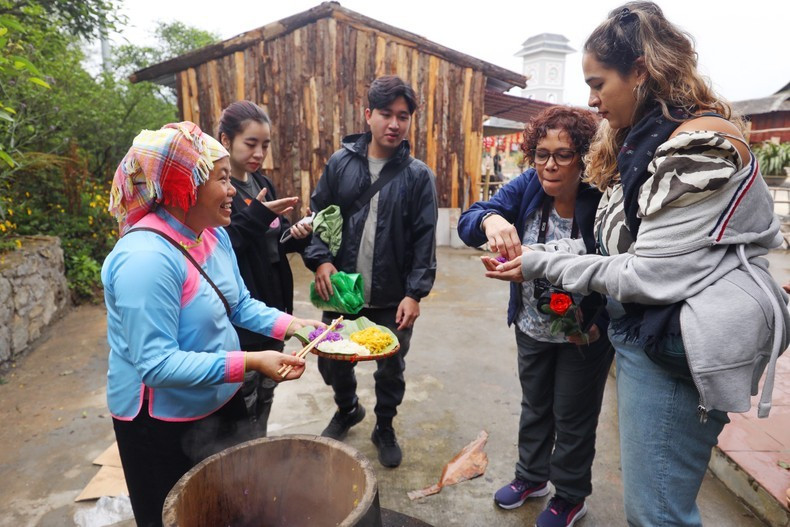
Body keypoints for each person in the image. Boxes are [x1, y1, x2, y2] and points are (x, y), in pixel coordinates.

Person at [488, 3, 789, 526]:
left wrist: (544, 265)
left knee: (656, 514)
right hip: (647, 341)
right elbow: (617, 253)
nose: (592, 99)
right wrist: (539, 256)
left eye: (598, 82)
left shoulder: (696, 149)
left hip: (673, 351)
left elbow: (645, 274)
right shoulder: (647, 144)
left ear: (641, 71)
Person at [102, 122, 322, 527]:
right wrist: (252, 362)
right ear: (184, 184)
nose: (233, 190)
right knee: (177, 515)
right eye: (222, 179)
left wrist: (297, 326)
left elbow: (238, 304)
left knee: (233, 505)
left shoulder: (211, 234)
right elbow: (157, 366)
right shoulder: (146, 259)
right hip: (163, 422)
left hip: (220, 397)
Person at [457, 106, 611, 527]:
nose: (549, 165)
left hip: (585, 333)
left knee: (573, 416)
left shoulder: (603, 199)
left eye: (563, 155)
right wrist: (490, 219)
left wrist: (601, 320)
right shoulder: (528, 187)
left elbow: (624, 264)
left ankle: (570, 495)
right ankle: (532, 476)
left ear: (585, 156)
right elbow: (469, 220)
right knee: (536, 405)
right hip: (531, 325)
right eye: (541, 153)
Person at [302, 75, 438, 468]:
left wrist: (415, 293)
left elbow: (424, 239)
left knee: (391, 367)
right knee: (331, 359)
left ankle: (384, 425)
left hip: (393, 295)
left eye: (403, 116)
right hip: (342, 289)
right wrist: (321, 258)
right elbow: (320, 215)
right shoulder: (340, 163)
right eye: (385, 114)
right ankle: (348, 409)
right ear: (368, 115)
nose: (394, 124)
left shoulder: (418, 176)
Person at [219, 101, 313, 437]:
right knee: (243, 395)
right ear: (225, 139)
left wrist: (296, 237)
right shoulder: (220, 191)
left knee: (268, 388)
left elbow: (273, 245)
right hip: (243, 314)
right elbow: (221, 247)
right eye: (250, 143)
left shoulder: (262, 183)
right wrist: (257, 214)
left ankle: (259, 444)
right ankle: (247, 454)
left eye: (265, 145)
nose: (259, 152)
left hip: (273, 308)